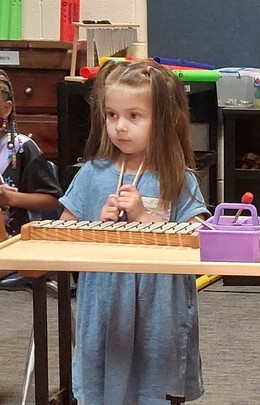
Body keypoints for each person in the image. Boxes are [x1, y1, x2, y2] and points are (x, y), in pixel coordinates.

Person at [58, 60, 208, 404]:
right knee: (103, 386)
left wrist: (143, 216)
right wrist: (96, 226)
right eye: (112, 115)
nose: (120, 127)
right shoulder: (92, 174)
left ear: (166, 121)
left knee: (154, 386)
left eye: (134, 117)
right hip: (105, 307)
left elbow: (197, 244)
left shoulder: (179, 178)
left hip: (159, 312)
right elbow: (61, 234)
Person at [0, 69, 62, 283]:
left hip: (15, 239)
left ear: (5, 109)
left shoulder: (23, 149)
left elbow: (53, 200)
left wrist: (9, 199)